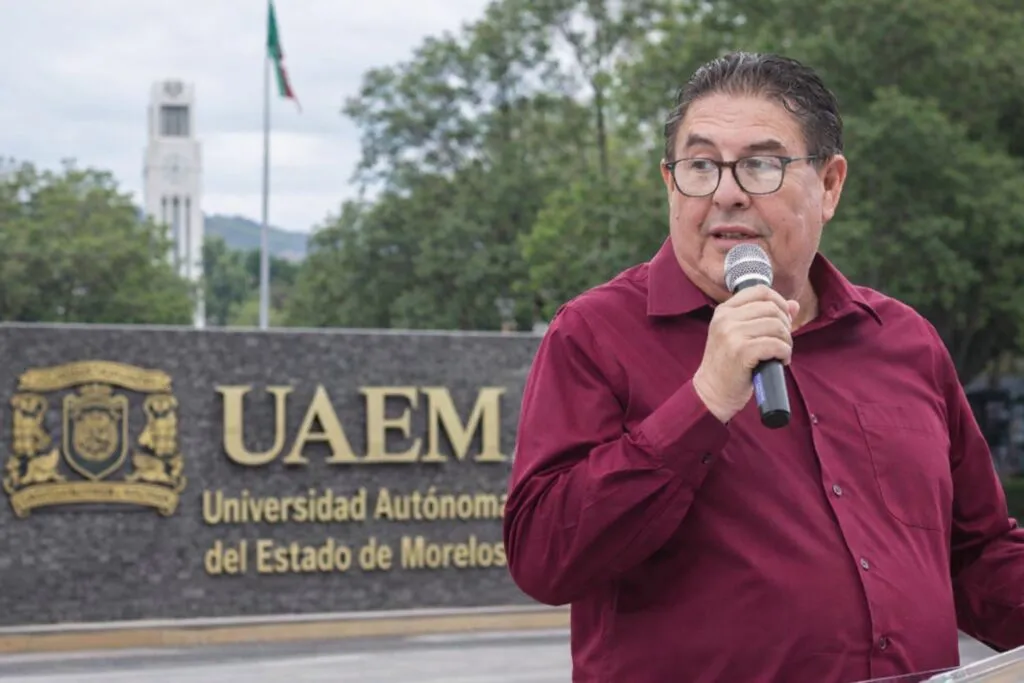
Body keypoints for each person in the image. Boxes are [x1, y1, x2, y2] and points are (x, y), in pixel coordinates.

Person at [502, 51, 1024, 683]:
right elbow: (543, 557)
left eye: (760, 165)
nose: (726, 193)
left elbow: (975, 553)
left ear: (829, 185)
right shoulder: (595, 334)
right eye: (700, 166)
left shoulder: (902, 340)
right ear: (671, 184)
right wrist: (702, 401)